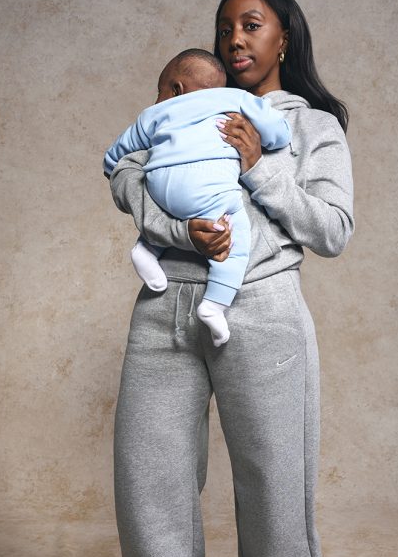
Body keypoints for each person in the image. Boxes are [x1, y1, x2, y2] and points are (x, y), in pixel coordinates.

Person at [102, 0, 354, 557]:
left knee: (274, 481)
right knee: (149, 479)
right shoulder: (185, 101)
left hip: (263, 309)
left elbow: (332, 229)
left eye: (251, 24)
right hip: (164, 304)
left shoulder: (309, 125)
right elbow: (125, 172)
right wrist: (180, 229)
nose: (235, 39)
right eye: (224, 28)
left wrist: (260, 169)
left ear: (284, 38)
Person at [103, 48, 291, 346]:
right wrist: (265, 139)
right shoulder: (236, 99)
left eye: (159, 91)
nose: (157, 99)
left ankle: (146, 250)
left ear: (176, 89)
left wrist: (114, 167)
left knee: (172, 210)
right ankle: (214, 305)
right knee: (235, 234)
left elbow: (115, 158)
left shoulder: (153, 115)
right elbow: (278, 133)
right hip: (210, 186)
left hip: (159, 182)